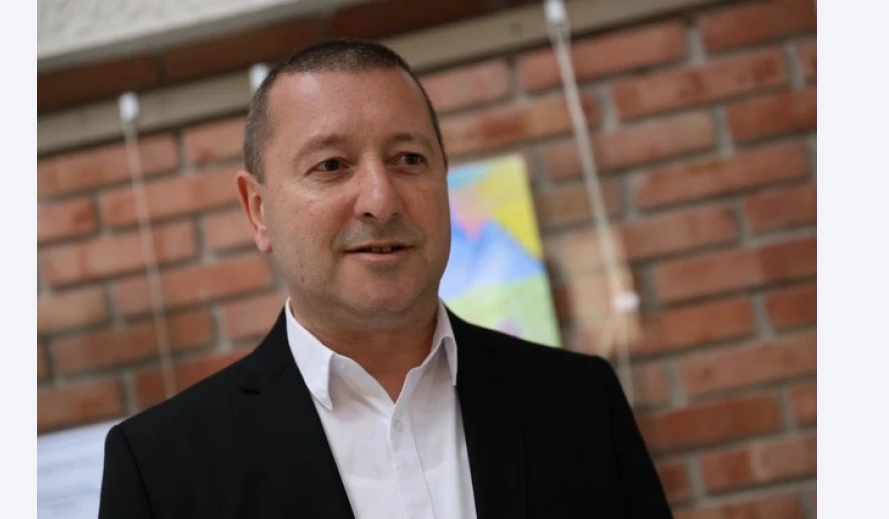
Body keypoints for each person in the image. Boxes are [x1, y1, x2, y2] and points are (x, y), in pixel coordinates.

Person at [98, 38, 672, 519]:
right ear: (258, 210)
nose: (380, 198)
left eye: (409, 159)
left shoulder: (578, 402)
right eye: (331, 166)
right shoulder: (162, 470)